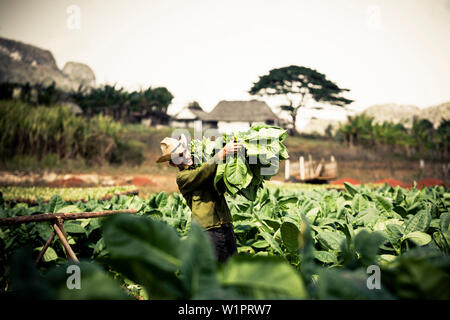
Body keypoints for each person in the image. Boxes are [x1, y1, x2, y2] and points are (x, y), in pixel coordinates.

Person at [156, 134, 242, 263]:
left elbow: (217, 173)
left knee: (233, 266)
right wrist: (222, 152)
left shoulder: (203, 164)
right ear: (173, 163)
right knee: (218, 270)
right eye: (179, 156)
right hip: (208, 230)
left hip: (225, 223)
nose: (185, 155)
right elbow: (202, 172)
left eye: (184, 151)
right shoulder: (183, 177)